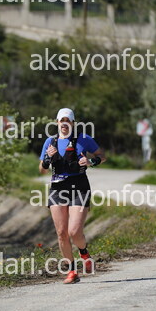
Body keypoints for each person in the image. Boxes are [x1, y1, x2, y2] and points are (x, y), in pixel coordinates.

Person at [39, 108, 106, 284]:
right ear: (57, 123)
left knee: (74, 232)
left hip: (79, 187)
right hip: (57, 189)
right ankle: (72, 271)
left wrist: (91, 161)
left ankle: (84, 253)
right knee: (61, 233)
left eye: (67, 121)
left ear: (73, 123)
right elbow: (42, 169)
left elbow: (102, 156)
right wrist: (47, 159)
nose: (64, 124)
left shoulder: (84, 139)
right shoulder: (50, 142)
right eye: (62, 121)